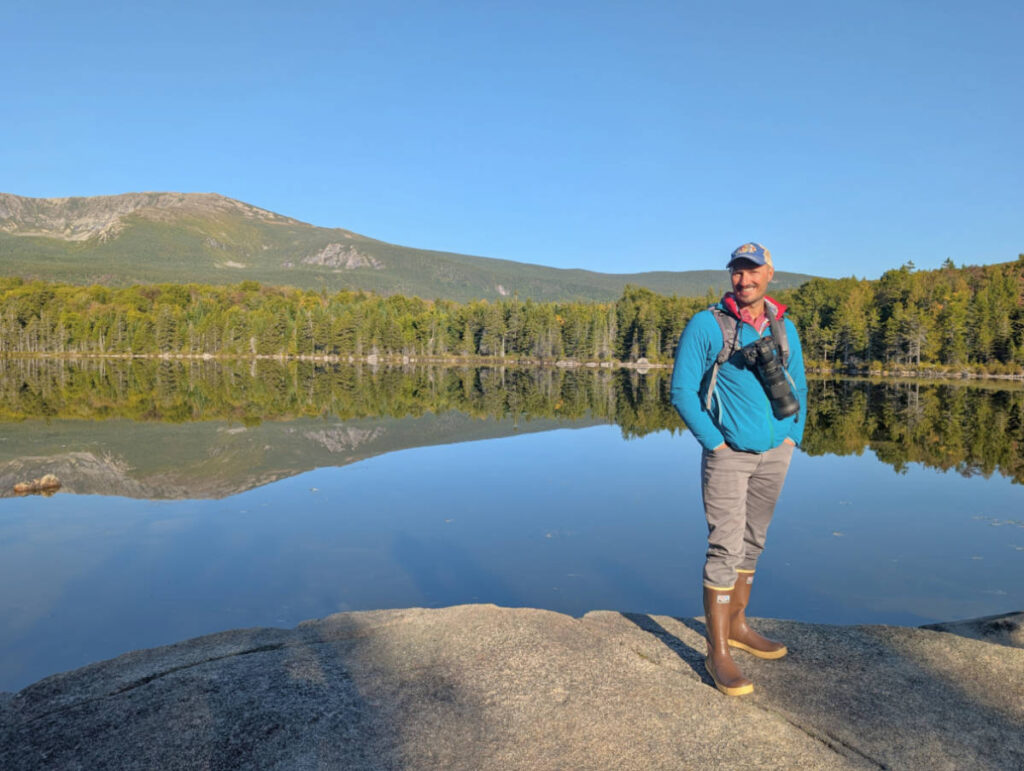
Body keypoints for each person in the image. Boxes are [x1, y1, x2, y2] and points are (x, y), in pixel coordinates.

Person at [670, 242, 807, 697]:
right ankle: (718, 653)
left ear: (770, 273)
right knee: (724, 548)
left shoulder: (784, 325)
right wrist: (716, 443)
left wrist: (792, 436)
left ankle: (739, 627)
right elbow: (683, 391)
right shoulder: (708, 325)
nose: (744, 280)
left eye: (752, 271)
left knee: (753, 541)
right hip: (729, 455)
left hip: (775, 454)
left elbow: (801, 386)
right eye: (737, 271)